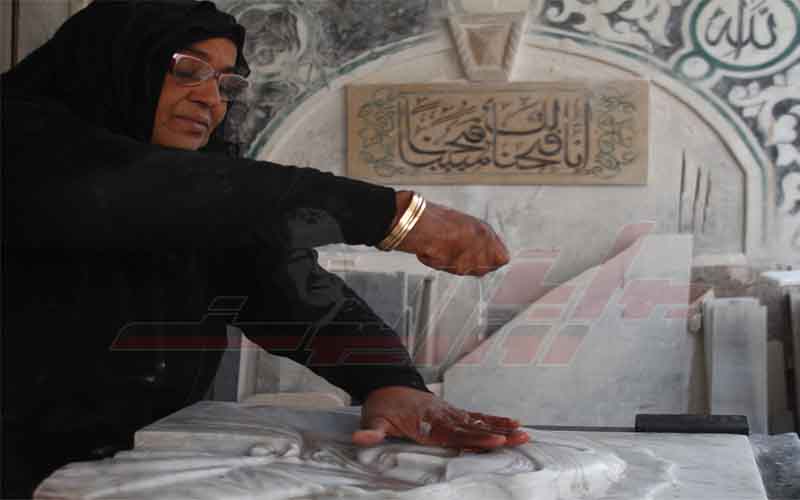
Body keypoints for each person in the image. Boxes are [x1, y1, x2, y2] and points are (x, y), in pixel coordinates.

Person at [1, 0, 528, 497]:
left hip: (120, 475)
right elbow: (137, 188)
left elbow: (277, 284)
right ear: (115, 60)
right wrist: (393, 216)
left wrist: (388, 381)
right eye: (188, 70)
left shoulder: (198, 195)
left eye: (226, 84)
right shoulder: (22, 138)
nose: (211, 100)